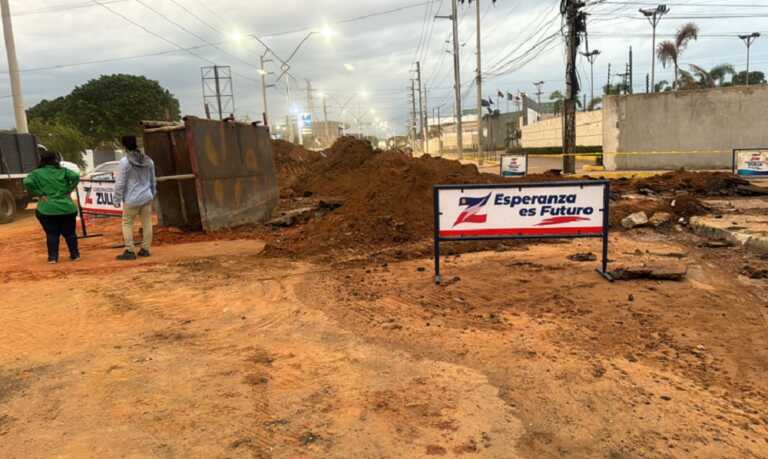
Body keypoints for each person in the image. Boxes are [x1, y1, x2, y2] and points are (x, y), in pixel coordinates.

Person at [23, 150, 81, 264]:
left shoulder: (36, 173)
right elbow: (75, 176)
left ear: (41, 159)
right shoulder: (63, 171)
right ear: (55, 159)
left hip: (47, 209)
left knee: (52, 233)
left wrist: (39, 193)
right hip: (67, 207)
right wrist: (69, 189)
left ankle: (53, 258)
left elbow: (27, 182)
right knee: (70, 233)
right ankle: (75, 255)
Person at [114, 135, 156, 261]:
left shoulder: (124, 162)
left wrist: (117, 199)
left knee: (127, 223)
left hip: (131, 198)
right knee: (147, 222)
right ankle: (145, 249)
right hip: (146, 196)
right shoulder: (148, 160)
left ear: (124, 145)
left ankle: (129, 250)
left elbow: (120, 183)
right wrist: (152, 194)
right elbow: (152, 180)